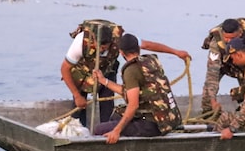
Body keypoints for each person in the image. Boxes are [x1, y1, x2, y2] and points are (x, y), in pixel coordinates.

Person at [61, 19, 190, 126]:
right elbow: (64, 68)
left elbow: (148, 45)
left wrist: (176, 52)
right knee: (79, 105)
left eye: (105, 47)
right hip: (82, 71)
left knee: (107, 104)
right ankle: (79, 131)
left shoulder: (120, 38)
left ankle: (104, 132)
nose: (102, 49)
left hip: (106, 69)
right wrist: (76, 95)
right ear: (93, 41)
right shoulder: (80, 42)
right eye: (99, 46)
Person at [92, 34, 183, 143]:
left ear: (121, 52)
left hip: (152, 125)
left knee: (100, 129)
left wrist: (116, 131)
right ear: (138, 48)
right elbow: (130, 92)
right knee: (116, 116)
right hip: (168, 119)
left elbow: (133, 105)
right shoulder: (150, 62)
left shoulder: (131, 70)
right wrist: (103, 81)